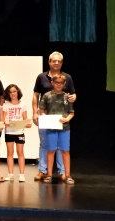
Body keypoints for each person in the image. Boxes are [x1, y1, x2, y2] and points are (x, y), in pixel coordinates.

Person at [32, 51, 76, 181]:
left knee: (61, 147)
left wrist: (73, 98)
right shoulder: (41, 77)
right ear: (49, 62)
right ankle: (43, 170)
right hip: (46, 117)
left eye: (59, 61)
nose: (56, 63)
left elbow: (73, 94)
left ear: (61, 63)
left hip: (62, 119)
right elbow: (35, 95)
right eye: (53, 61)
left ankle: (63, 172)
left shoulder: (67, 77)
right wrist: (35, 113)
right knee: (45, 144)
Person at [39, 74, 75, 184]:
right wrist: (44, 117)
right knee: (51, 151)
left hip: (64, 128)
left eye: (61, 83)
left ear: (64, 84)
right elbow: (42, 110)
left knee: (65, 151)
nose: (58, 85)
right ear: (52, 83)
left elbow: (71, 113)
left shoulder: (67, 97)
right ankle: (49, 174)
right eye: (56, 82)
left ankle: (68, 175)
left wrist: (67, 119)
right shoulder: (47, 96)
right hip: (51, 128)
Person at [3, 84, 31, 182]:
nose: (13, 94)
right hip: (9, 132)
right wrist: (5, 122)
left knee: (20, 153)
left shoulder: (22, 105)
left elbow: (25, 118)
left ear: (17, 92)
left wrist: (28, 123)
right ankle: (10, 174)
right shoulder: (6, 105)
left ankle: (21, 174)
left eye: (14, 91)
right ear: (8, 94)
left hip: (19, 132)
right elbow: (3, 119)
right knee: (10, 153)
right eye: (10, 92)